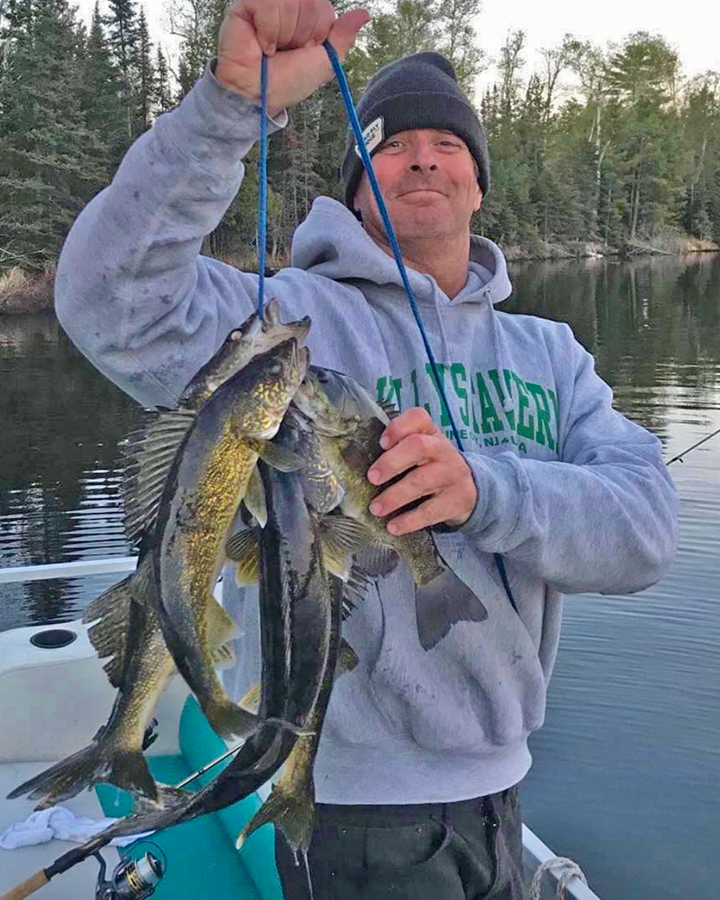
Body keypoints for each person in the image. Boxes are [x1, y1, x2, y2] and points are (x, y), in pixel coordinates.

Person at [55, 1, 679, 897]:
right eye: (391, 144)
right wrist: (232, 104)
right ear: (355, 188)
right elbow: (108, 297)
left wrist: (484, 491)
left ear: (477, 184)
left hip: (502, 788)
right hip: (342, 799)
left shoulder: (553, 355)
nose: (423, 155)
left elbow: (648, 530)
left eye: (449, 144)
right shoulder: (282, 327)